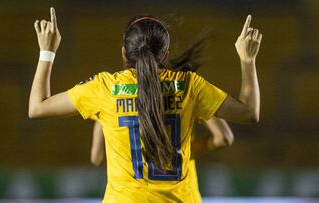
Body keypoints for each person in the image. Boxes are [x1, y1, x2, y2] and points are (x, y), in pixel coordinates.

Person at [29, 7, 261, 202]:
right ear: (165, 54)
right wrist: (247, 60)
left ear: (123, 52)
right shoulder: (189, 86)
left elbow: (37, 108)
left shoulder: (105, 90)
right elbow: (248, 113)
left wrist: (47, 52)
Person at [90, 117, 234, 203]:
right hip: (180, 196)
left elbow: (97, 158)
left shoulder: (113, 93)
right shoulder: (188, 87)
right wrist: (182, 153)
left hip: (131, 197)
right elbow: (223, 137)